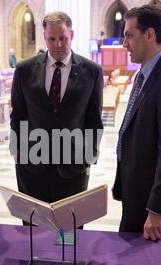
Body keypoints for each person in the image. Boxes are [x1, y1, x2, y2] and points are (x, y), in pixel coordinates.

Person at [10, 11, 103, 225]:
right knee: (34, 230)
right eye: (52, 39)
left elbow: (93, 120)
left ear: (72, 35)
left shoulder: (92, 71)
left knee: (69, 231)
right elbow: (18, 116)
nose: (58, 44)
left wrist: (88, 156)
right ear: (44, 37)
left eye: (63, 38)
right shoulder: (24, 70)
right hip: (32, 166)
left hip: (73, 167)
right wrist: (19, 154)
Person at [112, 5, 161, 240]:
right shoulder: (145, 74)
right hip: (135, 189)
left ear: (149, 35)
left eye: (129, 35)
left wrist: (156, 210)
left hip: (148, 198)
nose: (124, 43)